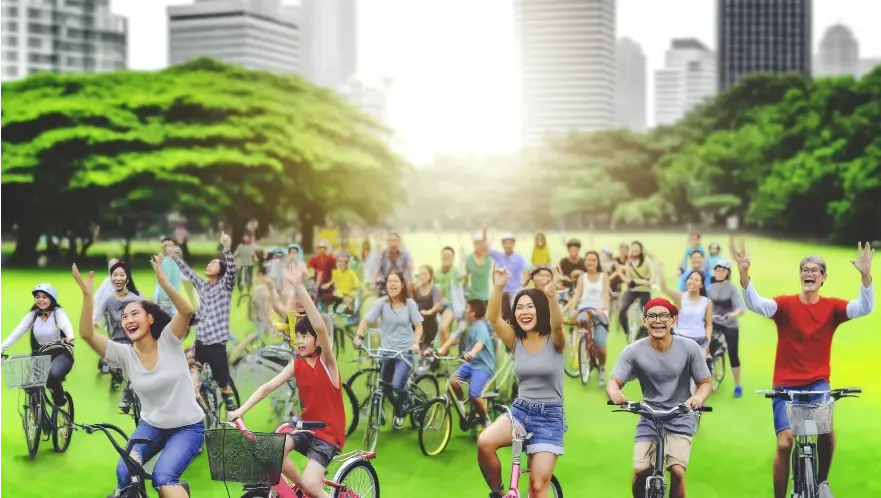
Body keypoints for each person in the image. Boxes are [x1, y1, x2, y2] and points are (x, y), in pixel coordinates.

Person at [734, 240, 874, 498]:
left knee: (827, 432)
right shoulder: (785, 305)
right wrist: (744, 274)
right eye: (805, 269)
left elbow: (864, 308)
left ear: (823, 278)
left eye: (815, 270)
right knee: (785, 441)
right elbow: (756, 304)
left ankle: (822, 482)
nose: (809, 273)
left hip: (817, 383)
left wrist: (866, 276)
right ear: (800, 275)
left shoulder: (832, 308)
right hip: (785, 385)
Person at [73, 257, 203, 498]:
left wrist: (164, 282)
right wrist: (88, 296)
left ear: (150, 318)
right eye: (124, 317)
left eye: (135, 313)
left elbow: (186, 311)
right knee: (125, 473)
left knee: (163, 477)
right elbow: (86, 334)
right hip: (151, 426)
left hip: (187, 427)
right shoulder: (124, 355)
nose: (128, 320)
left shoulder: (169, 340)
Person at [228, 264, 345, 498]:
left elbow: (320, 326)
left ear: (318, 341)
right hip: (307, 430)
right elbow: (268, 387)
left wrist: (298, 286)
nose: (300, 341)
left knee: (313, 485)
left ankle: (310, 489)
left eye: (305, 337)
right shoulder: (297, 364)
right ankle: (303, 490)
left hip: (329, 435)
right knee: (274, 453)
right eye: (297, 336)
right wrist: (240, 410)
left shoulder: (327, 363)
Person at [607, 297, 713, 498]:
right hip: (649, 416)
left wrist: (698, 398)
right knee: (640, 470)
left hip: (681, 415)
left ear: (673, 320)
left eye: (664, 316)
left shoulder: (690, 348)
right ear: (644, 320)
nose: (658, 320)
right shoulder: (633, 351)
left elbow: (705, 383)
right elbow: (614, 381)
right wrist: (614, 392)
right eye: (652, 316)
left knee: (677, 471)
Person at [478, 266, 565, 498]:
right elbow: (493, 318)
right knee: (485, 442)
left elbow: (557, 324)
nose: (524, 312)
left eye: (530, 307)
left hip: (549, 418)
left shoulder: (555, 341)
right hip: (520, 411)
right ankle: (497, 493)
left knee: (537, 488)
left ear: (541, 311)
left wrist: (551, 297)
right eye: (519, 307)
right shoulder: (516, 341)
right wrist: (498, 286)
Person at [171, 231, 238, 412]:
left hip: (217, 344)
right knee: (192, 369)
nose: (209, 265)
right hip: (201, 342)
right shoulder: (202, 286)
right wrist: (175, 257)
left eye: (214, 263)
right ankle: (195, 394)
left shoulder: (225, 286)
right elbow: (189, 273)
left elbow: (232, 270)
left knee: (222, 379)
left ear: (221, 271)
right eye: (209, 263)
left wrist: (227, 247)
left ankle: (227, 396)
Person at [353, 269, 424, 429]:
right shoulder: (382, 303)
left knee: (398, 386)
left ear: (402, 285)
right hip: (387, 351)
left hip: (405, 352)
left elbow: (419, 327)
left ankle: (403, 406)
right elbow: (366, 320)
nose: (392, 284)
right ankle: (400, 408)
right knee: (385, 386)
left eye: (395, 281)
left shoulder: (410, 304)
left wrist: (416, 343)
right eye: (389, 281)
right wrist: (359, 335)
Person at [1, 284, 75, 407]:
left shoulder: (58, 313)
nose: (41, 300)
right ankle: (37, 416)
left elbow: (66, 325)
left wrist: (70, 336)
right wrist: (1, 348)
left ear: (52, 299)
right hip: (41, 354)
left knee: (52, 375)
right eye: (38, 297)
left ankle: (59, 398)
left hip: (61, 353)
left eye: (44, 297)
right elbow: (17, 331)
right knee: (29, 383)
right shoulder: (33, 315)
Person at [433, 299, 496, 427]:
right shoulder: (465, 324)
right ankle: (461, 404)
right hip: (471, 364)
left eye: (467, 307)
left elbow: (480, 343)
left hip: (483, 366)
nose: (464, 309)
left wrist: (472, 352)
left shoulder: (480, 326)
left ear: (473, 313)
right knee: (453, 383)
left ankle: (485, 420)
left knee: (474, 394)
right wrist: (443, 348)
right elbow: (454, 337)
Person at [94, 260, 143, 409]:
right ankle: (121, 381)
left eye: (122, 275)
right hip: (116, 341)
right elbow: (96, 315)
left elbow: (152, 311)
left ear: (127, 278)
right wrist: (93, 324)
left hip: (134, 341)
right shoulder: (109, 299)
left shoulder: (135, 298)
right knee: (119, 364)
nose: (118, 278)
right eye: (115, 275)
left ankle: (129, 391)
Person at [563, 251, 611, 386]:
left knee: (601, 344)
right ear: (585, 262)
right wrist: (571, 308)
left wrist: (602, 310)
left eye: (593, 260)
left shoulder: (604, 276)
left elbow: (606, 296)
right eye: (588, 260)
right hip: (584, 309)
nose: (590, 262)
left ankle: (601, 368)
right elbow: (577, 295)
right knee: (582, 322)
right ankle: (584, 345)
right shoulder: (582, 277)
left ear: (597, 263)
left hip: (600, 311)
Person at [706, 259, 745, 397]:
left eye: (723, 270)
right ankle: (705, 382)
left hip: (729, 323)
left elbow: (740, 307)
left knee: (733, 353)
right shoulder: (710, 289)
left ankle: (737, 385)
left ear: (727, 273)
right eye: (717, 270)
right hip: (715, 322)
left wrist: (734, 314)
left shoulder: (732, 288)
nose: (720, 273)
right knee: (706, 349)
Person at [658, 267, 713, 362]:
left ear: (701, 285)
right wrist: (660, 272)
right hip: (680, 338)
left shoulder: (707, 302)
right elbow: (664, 289)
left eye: (696, 280)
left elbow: (709, 324)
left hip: (699, 341)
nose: (692, 281)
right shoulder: (679, 296)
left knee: (697, 373)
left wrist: (707, 343)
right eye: (690, 278)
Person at [487, 232, 530, 325]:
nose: (508, 245)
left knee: (517, 312)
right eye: (505, 243)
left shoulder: (519, 257)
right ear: (502, 245)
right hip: (502, 290)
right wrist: (488, 237)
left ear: (513, 244)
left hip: (515, 290)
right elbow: (486, 250)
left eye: (510, 243)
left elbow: (526, 269)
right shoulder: (499, 256)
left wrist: (524, 281)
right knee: (500, 314)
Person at [618, 241, 654, 341]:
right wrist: (629, 281)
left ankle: (645, 332)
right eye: (633, 247)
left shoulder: (646, 260)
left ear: (641, 250)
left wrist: (649, 282)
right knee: (622, 310)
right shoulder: (628, 262)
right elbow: (627, 277)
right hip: (632, 290)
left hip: (644, 290)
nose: (634, 250)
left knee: (647, 312)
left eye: (637, 248)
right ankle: (627, 331)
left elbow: (652, 274)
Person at [435, 246, 462, 343]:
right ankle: (445, 355)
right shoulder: (436, 273)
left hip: (451, 305)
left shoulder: (456, 272)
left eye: (449, 256)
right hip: (438, 305)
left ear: (453, 258)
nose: (446, 257)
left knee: (443, 327)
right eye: (444, 255)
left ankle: (446, 353)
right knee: (442, 330)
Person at [414, 265, 443, 350]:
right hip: (418, 319)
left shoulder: (434, 288)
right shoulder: (416, 288)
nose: (422, 276)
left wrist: (429, 312)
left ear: (430, 276)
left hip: (430, 320)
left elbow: (437, 304)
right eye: (421, 274)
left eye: (425, 274)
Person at [153, 239, 182, 317]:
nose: (168, 248)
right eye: (166, 246)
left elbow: (175, 283)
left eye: (170, 246)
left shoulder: (176, 263)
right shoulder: (163, 262)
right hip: (161, 300)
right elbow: (159, 282)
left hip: (171, 300)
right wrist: (155, 297)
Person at [465, 232, 493, 303]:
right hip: (472, 296)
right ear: (474, 245)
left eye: (482, 244)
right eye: (478, 244)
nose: (480, 247)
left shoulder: (489, 259)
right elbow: (465, 278)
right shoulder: (469, 259)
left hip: (485, 297)